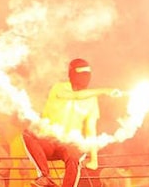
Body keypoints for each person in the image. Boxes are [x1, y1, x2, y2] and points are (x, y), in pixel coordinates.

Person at [25, 59, 122, 187]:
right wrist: (105, 91)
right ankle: (44, 177)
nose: (85, 76)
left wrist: (94, 159)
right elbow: (75, 96)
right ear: (72, 73)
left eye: (88, 73)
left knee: (74, 153)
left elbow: (90, 129)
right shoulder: (59, 88)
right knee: (29, 133)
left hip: (70, 144)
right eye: (81, 72)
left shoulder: (92, 99)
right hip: (49, 142)